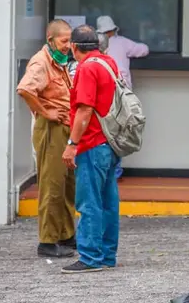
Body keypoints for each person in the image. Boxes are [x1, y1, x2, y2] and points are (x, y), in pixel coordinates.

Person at [60, 25, 121, 274]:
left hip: (92, 142)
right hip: (110, 142)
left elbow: (84, 110)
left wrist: (72, 145)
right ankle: (107, 254)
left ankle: (89, 257)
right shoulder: (108, 62)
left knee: (89, 202)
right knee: (108, 201)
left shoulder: (86, 68)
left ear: (74, 47)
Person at [16, 20, 77, 258]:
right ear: (50, 39)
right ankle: (48, 241)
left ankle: (66, 235)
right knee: (52, 185)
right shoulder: (40, 62)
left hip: (64, 129)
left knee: (66, 185)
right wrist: (45, 111)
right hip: (51, 129)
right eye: (63, 41)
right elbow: (25, 89)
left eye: (69, 41)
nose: (67, 46)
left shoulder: (59, 62)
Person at [96, 15, 149, 181]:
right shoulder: (123, 42)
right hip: (120, 95)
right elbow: (144, 49)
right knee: (118, 132)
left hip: (101, 95)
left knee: (102, 132)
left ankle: (103, 171)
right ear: (114, 29)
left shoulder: (94, 47)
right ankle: (115, 172)